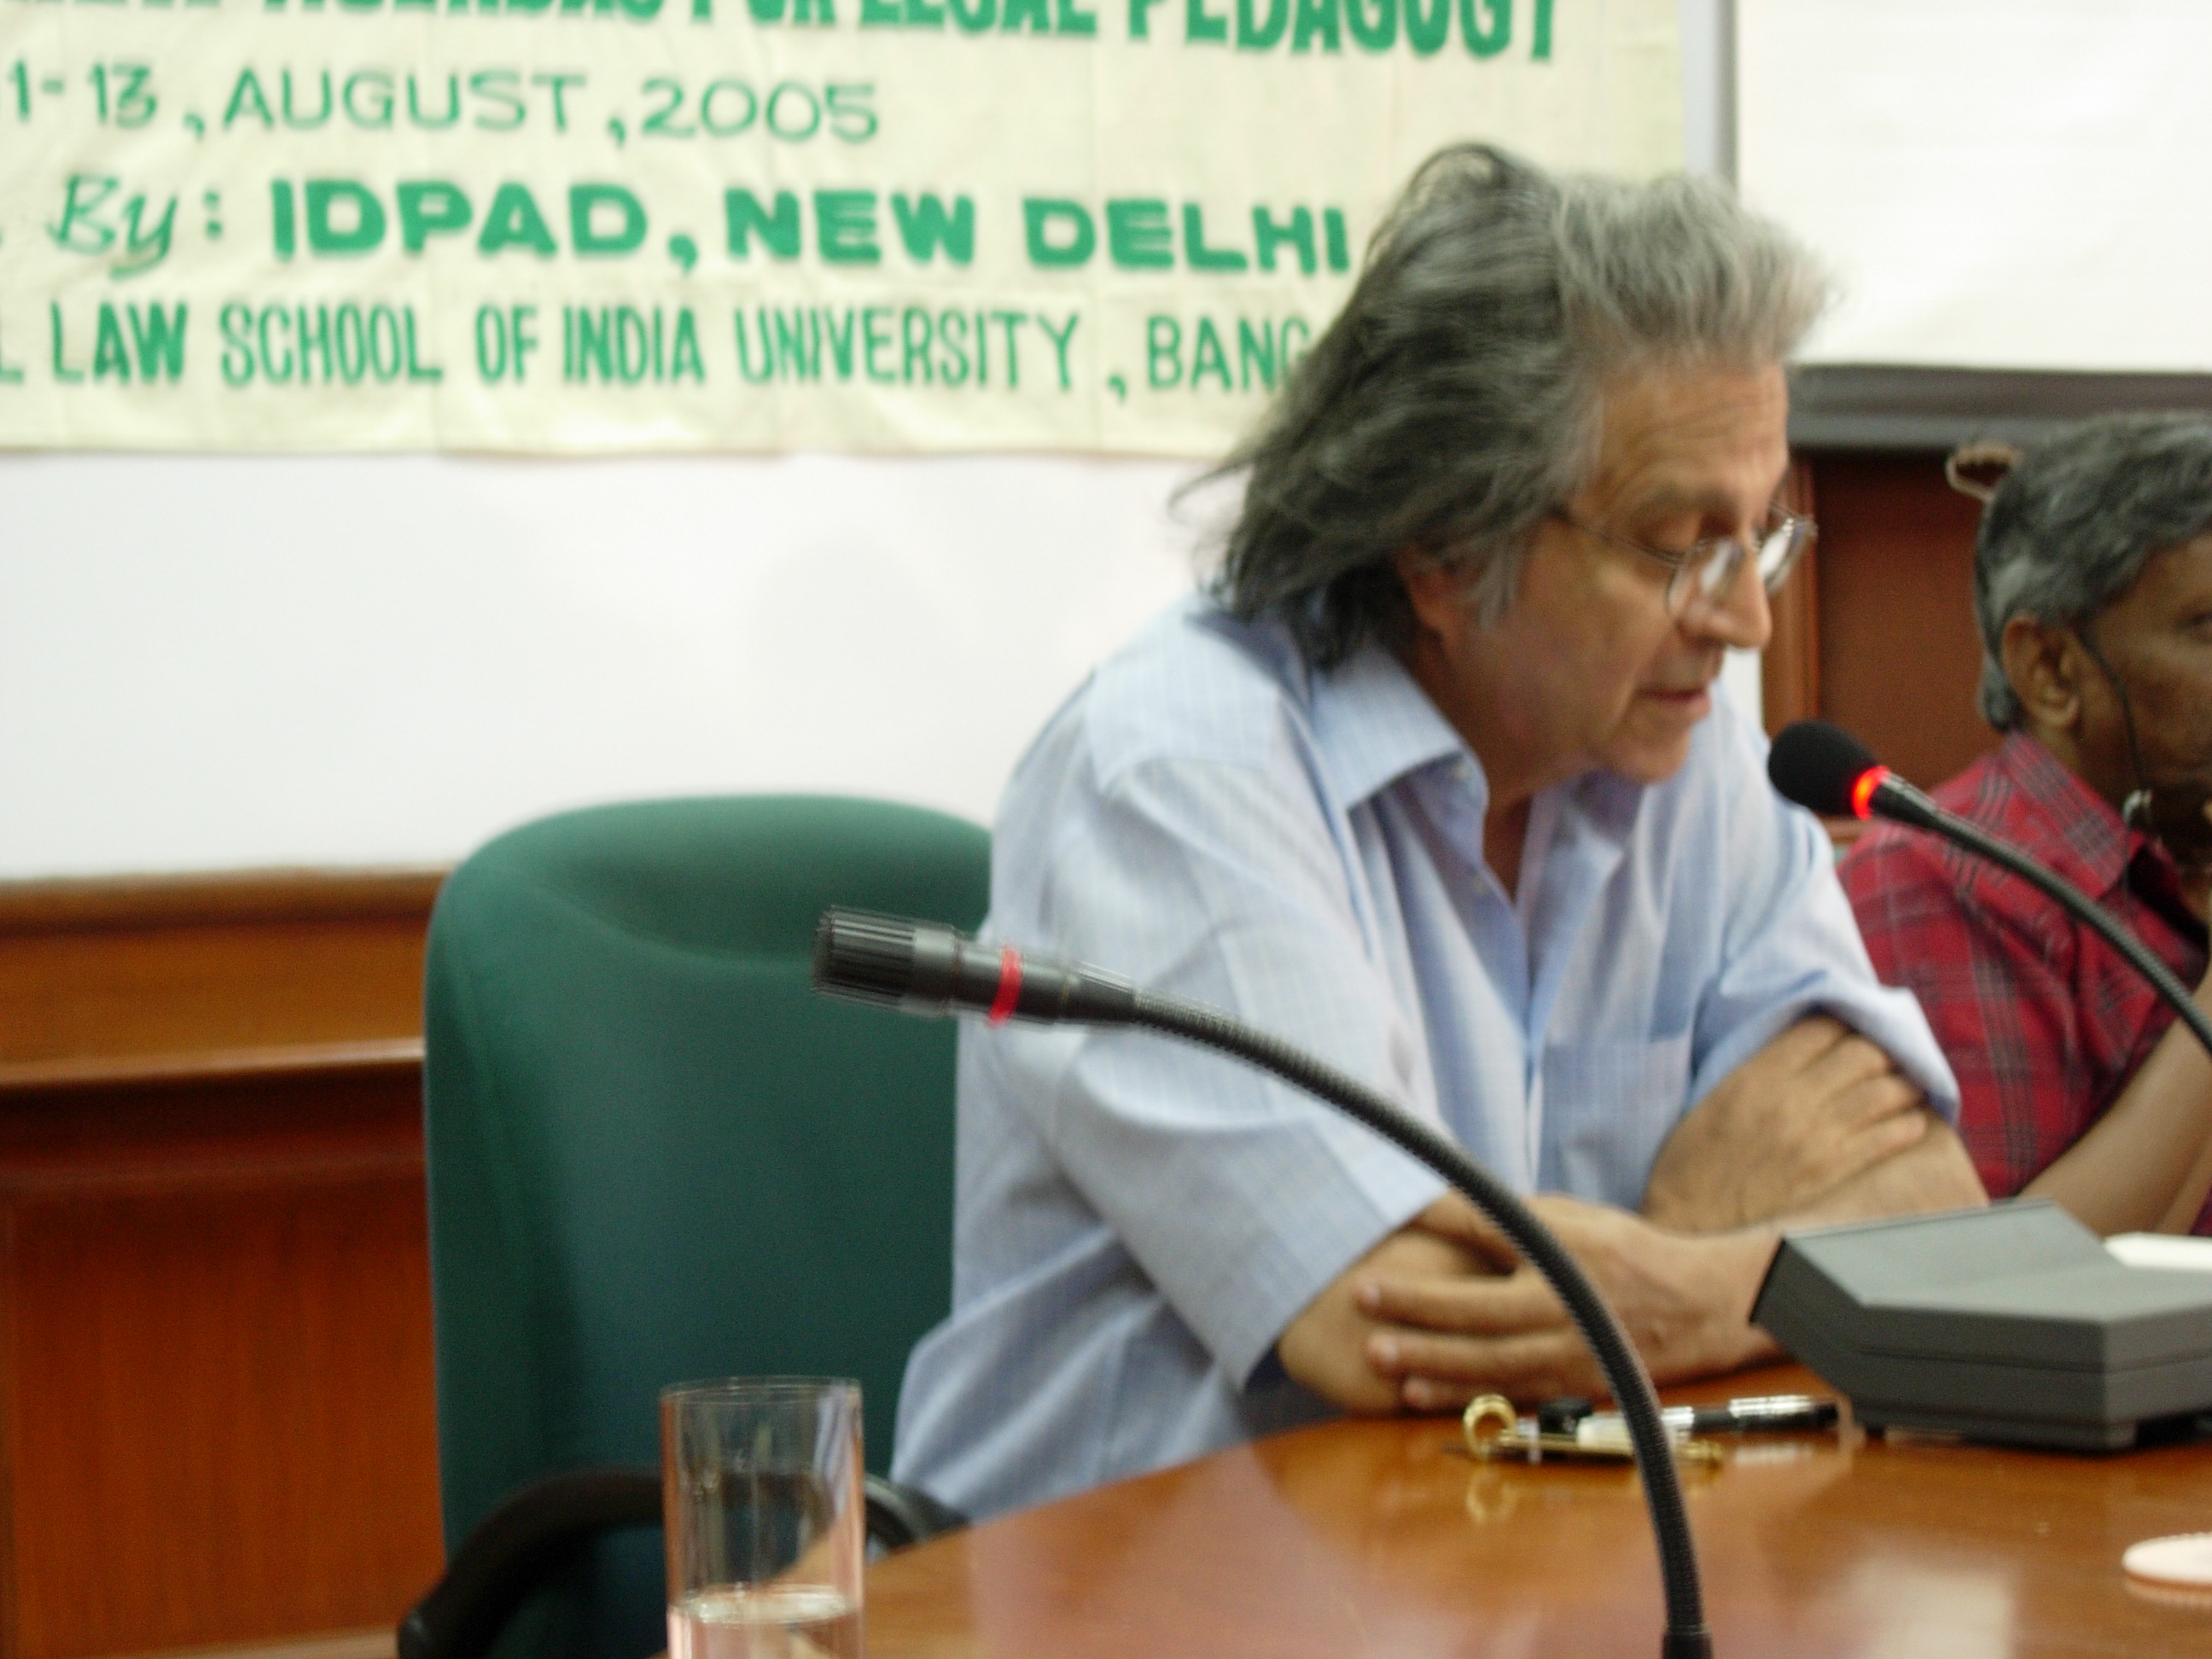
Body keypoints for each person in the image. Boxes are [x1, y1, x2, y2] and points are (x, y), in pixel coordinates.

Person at [894, 145, 1985, 1522]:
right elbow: (1398, 1332)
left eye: (1759, 538)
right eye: (1675, 545)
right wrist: (1709, 1229)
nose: (1746, 618)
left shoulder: (1686, 741)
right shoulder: (1173, 768)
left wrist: (1672, 1277)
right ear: (1442, 547)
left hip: (1510, 1564)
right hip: (1124, 1592)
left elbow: (1929, 1198)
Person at [1841, 414, 2212, 1237]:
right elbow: (2001, 1296)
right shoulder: (1939, 876)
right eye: (2209, 627)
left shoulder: (2192, 845)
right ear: (2049, 671)